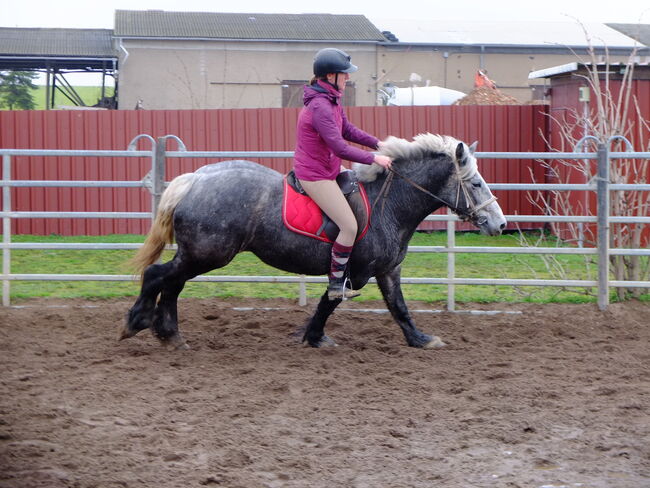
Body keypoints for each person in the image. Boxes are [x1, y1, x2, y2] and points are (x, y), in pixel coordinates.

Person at [293, 48, 393, 300]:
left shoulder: (332, 99)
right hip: (315, 176)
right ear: (329, 76)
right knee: (348, 226)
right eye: (344, 74)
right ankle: (337, 286)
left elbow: (347, 129)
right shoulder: (320, 106)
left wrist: (377, 144)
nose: (348, 78)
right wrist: (374, 158)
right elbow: (339, 146)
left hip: (330, 170)